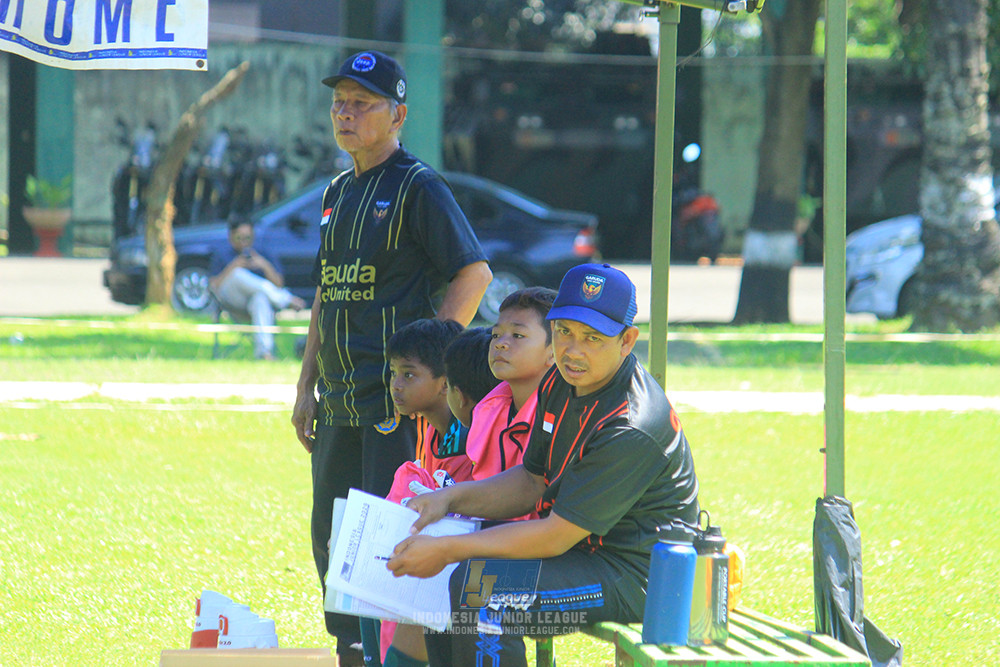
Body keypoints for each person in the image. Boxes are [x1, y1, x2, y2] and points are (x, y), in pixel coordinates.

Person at [387, 263, 700, 667]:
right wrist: (448, 498)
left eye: (593, 338)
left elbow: (555, 535)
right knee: (459, 582)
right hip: (585, 552)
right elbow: (532, 480)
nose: (574, 349)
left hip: (640, 575)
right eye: (565, 331)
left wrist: (446, 548)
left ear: (627, 341)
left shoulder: (630, 425)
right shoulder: (562, 380)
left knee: (486, 594)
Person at [290, 50, 493, 666]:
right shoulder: (334, 192)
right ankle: (351, 655)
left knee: (386, 547)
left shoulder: (418, 186)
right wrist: (305, 386)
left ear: (398, 114)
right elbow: (329, 289)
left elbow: (474, 273)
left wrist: (432, 372)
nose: (345, 114)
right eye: (339, 103)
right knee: (333, 543)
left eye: (362, 103)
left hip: (394, 410)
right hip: (339, 403)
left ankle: (398, 657)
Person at [465, 286, 556, 483]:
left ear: (554, 352)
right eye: (496, 335)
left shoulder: (560, 417)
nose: (500, 344)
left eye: (517, 335)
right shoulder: (488, 410)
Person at [208, 217, 305, 360]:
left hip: (253, 305)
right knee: (238, 274)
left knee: (260, 299)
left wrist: (264, 265)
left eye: (247, 238)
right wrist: (234, 266)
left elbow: (279, 283)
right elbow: (213, 286)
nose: (244, 242)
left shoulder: (261, 254)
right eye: (239, 238)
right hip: (230, 300)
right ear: (231, 237)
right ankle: (286, 298)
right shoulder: (222, 253)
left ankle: (264, 353)